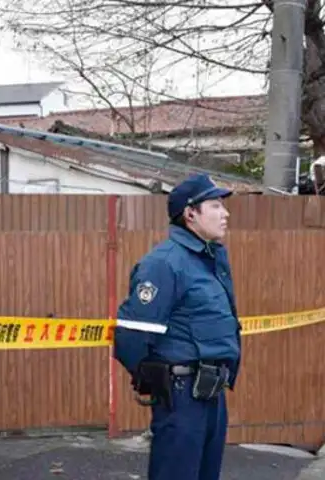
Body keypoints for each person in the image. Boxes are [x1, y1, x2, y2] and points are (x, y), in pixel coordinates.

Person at [114, 173, 242, 480]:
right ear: (190, 214)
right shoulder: (165, 263)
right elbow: (132, 331)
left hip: (211, 391)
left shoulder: (207, 260)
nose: (225, 214)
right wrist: (152, 378)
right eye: (215, 206)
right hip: (182, 395)